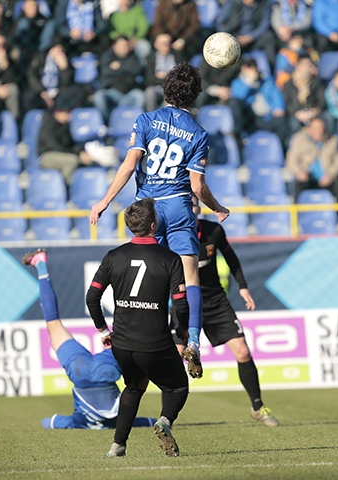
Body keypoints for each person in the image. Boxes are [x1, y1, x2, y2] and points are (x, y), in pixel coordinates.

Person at [89, 62, 230, 379]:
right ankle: (193, 339)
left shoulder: (146, 120)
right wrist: (218, 208)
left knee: (153, 280)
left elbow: (129, 166)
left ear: (165, 90)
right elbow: (197, 186)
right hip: (179, 207)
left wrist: (104, 200)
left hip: (148, 209)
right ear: (195, 95)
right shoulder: (198, 133)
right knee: (189, 278)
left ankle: (145, 343)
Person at [86, 198, 190, 457]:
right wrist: (182, 332)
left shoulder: (113, 256)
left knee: (134, 388)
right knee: (177, 387)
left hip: (122, 344)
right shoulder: (170, 259)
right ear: (153, 225)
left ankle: (117, 446)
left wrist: (103, 331)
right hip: (155, 343)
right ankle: (164, 421)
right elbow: (180, 304)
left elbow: (92, 297)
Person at [22, 247, 156, 430]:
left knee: (128, 334)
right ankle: (40, 264)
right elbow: (48, 422)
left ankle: (140, 272)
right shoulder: (78, 422)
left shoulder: (120, 421)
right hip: (80, 372)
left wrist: (159, 421)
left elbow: (148, 421)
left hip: (107, 371)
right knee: (53, 323)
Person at [174, 195, 280, 427]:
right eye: (187, 206)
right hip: (185, 304)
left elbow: (231, 258)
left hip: (215, 301)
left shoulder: (213, 231)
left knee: (243, 351)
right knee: (174, 358)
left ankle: (258, 407)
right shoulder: (172, 235)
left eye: (194, 205)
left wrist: (243, 286)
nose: (191, 209)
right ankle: (168, 420)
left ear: (199, 208)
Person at [37, 87, 94, 186]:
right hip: (47, 156)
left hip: (63, 154)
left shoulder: (65, 125)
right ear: (58, 112)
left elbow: (71, 144)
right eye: (66, 113)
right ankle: (64, 188)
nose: (69, 116)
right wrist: (77, 156)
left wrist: (81, 152)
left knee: (85, 161)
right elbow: (54, 146)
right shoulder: (47, 125)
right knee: (72, 161)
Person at [286, 117, 338, 200]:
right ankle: (297, 207)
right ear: (309, 129)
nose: (319, 131)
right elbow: (291, 160)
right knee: (299, 182)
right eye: (315, 128)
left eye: (321, 128)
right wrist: (299, 172)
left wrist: (330, 174)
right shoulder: (299, 139)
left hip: (326, 175)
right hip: (307, 174)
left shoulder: (332, 140)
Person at [93, 35, 145, 123]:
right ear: (114, 46)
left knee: (140, 96)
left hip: (129, 92)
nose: (124, 48)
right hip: (111, 92)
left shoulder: (133, 57)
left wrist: (119, 67)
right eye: (121, 45)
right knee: (98, 96)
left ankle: (137, 124)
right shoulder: (107, 57)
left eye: (126, 45)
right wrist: (126, 69)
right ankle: (106, 124)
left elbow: (136, 70)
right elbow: (105, 71)